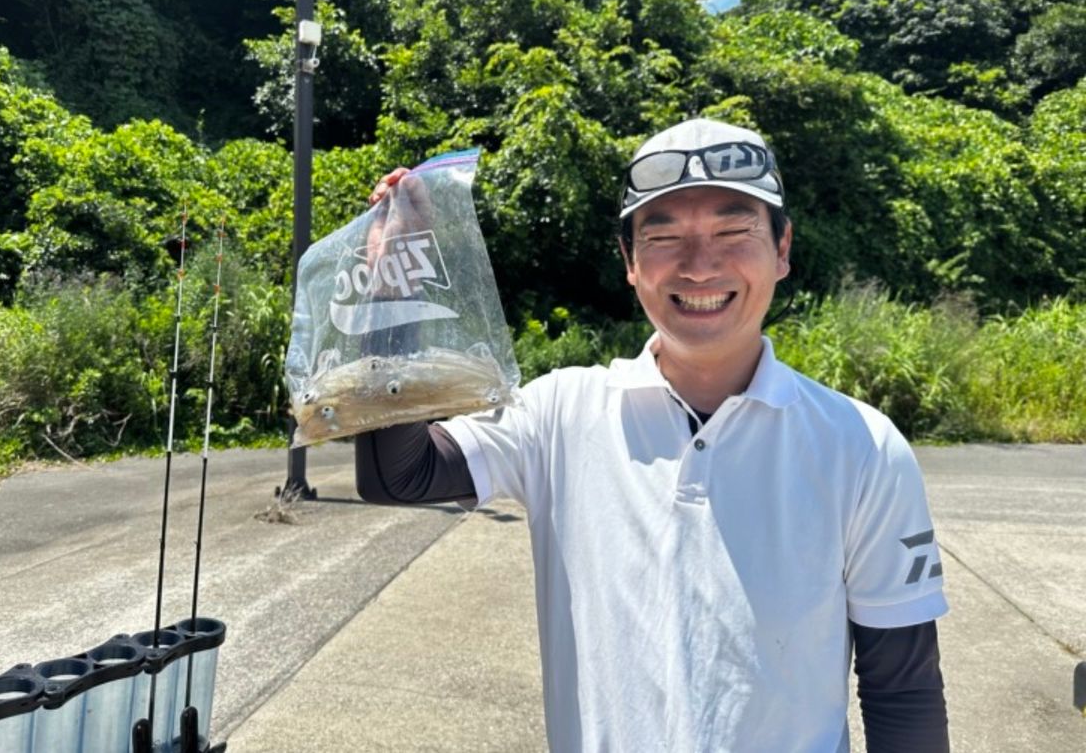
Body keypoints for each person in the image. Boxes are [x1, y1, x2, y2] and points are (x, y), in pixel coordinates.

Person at [354, 118, 949, 752]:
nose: (700, 265)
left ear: (781, 248)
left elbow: (901, 688)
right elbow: (400, 474)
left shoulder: (862, 445)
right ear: (631, 263)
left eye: (733, 229)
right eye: (663, 235)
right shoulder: (560, 412)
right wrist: (393, 303)